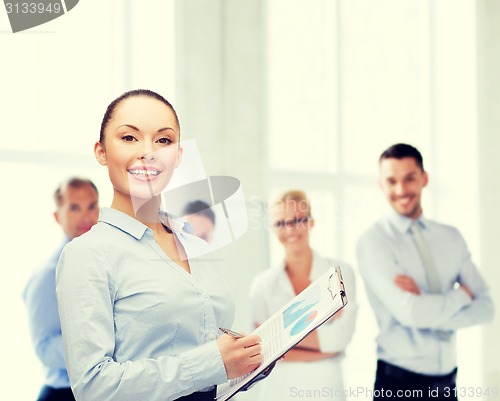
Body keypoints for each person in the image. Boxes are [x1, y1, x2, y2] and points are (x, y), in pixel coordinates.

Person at [55, 89, 262, 401]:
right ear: (101, 152)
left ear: (178, 155)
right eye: (129, 138)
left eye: (163, 141)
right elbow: (94, 387)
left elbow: (205, 362)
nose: (147, 153)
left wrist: (245, 364)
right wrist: (212, 363)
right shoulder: (87, 255)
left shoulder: (191, 238)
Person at [356, 143, 494, 400]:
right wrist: (461, 297)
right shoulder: (374, 242)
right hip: (398, 383)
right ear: (381, 185)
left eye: (409, 178)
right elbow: (412, 314)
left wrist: (426, 305)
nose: (401, 190)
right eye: (391, 181)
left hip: (448, 381)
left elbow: (487, 308)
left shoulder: (451, 237)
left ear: (424, 178)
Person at [249, 190, 358, 401]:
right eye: (280, 223)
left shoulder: (339, 273)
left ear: (311, 223)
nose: (290, 229)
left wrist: (279, 339)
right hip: (278, 390)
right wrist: (324, 346)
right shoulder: (262, 285)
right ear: (273, 228)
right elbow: (261, 349)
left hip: (326, 388)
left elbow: (340, 338)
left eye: (297, 220)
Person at [23, 177, 99, 401]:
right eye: (74, 207)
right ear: (58, 216)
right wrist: (104, 344)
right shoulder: (48, 275)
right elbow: (46, 349)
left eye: (92, 205)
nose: (86, 216)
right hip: (63, 394)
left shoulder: (102, 264)